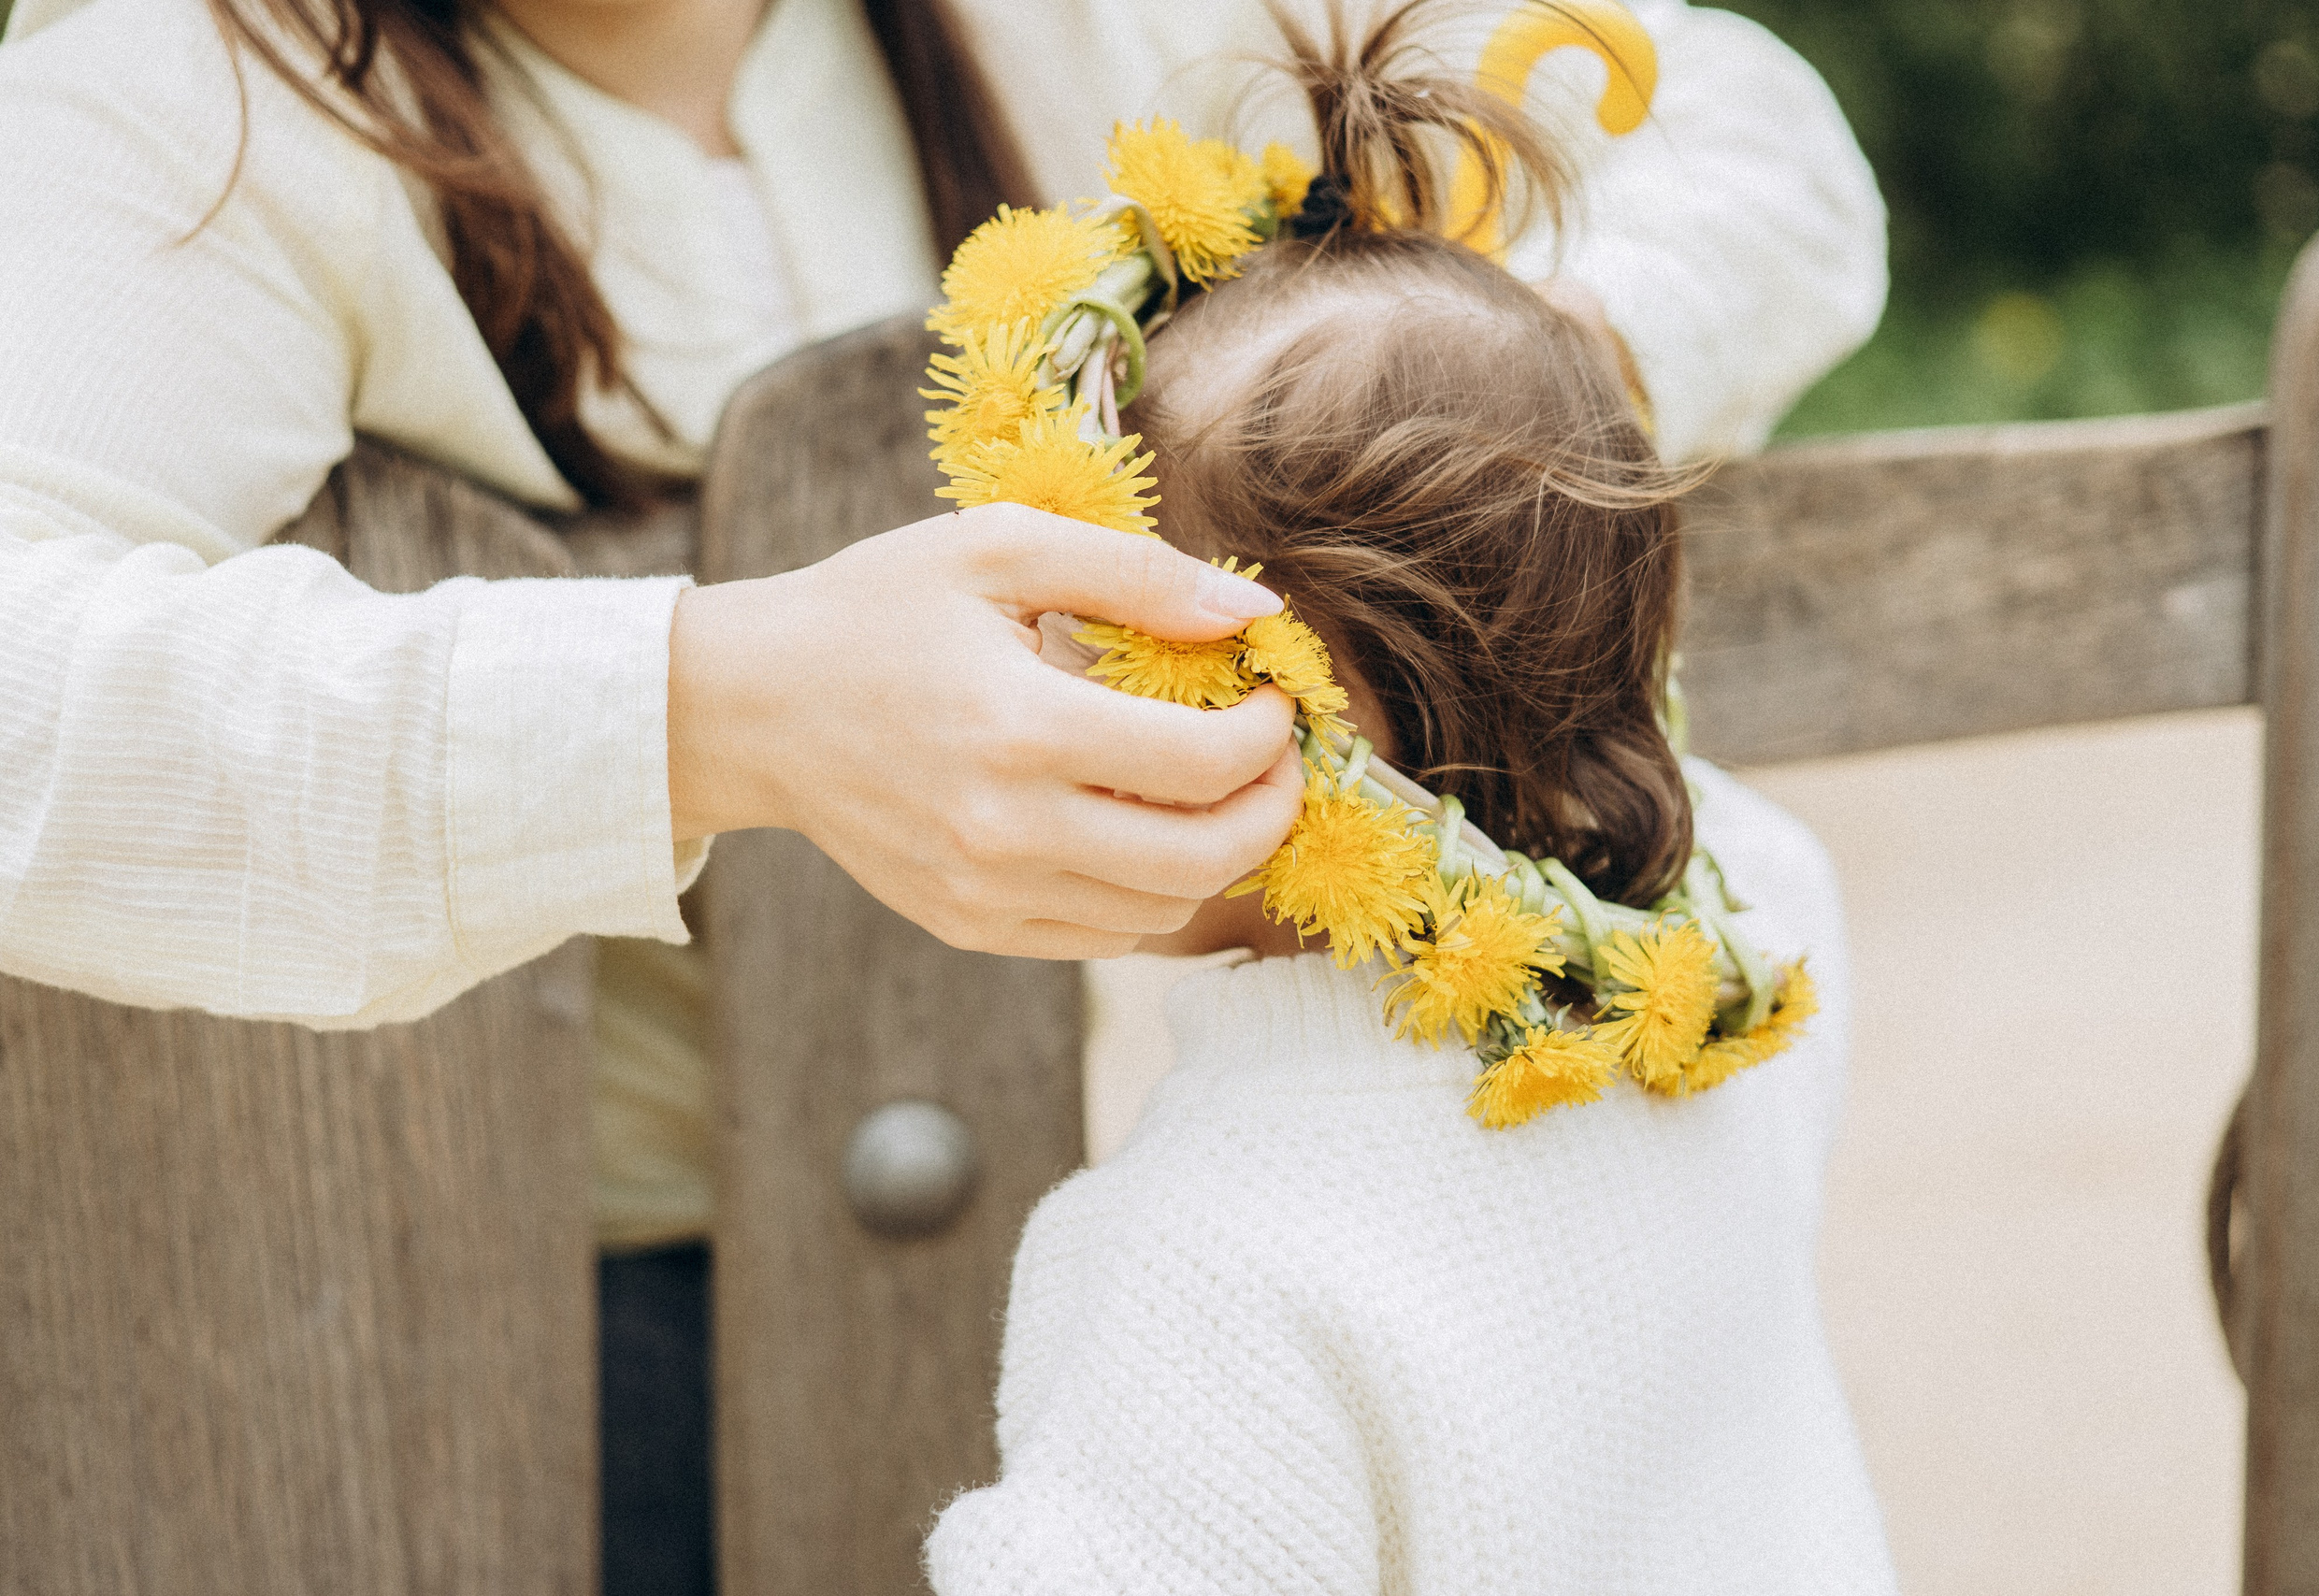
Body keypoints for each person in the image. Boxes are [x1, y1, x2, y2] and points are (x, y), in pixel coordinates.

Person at [0, 0, 1881, 1588]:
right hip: (471, 1352)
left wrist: (1478, 417)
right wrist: (709, 708)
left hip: (1021, 1195)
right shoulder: (193, 106)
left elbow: (1751, 152)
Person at [925, 17, 1892, 1589]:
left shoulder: (1205, 1270)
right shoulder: (1748, 965)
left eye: (1090, 630)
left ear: (1282, 739)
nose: (1028, 677)